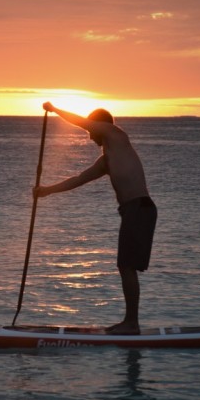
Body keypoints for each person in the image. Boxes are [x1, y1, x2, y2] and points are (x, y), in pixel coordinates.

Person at [34, 102, 157, 335]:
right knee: (125, 266)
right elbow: (78, 179)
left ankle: (132, 324)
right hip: (133, 211)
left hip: (139, 208)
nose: (90, 137)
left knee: (127, 266)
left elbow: (81, 122)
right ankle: (130, 322)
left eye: (91, 131)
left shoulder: (115, 134)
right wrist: (46, 191)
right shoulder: (107, 161)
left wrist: (55, 109)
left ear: (100, 125)